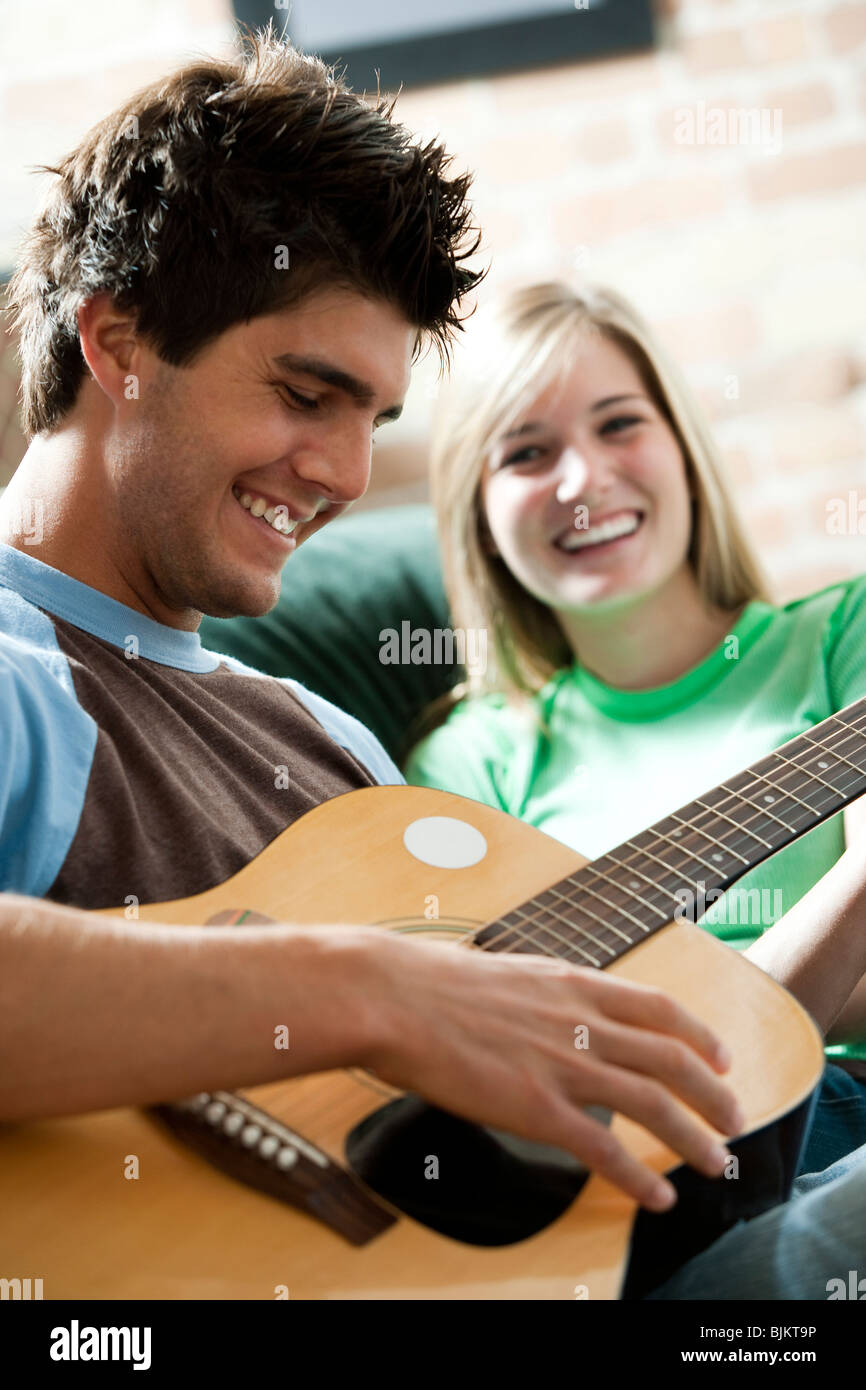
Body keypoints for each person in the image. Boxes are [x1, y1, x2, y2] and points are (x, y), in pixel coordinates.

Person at [0, 27, 744, 1228]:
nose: (345, 473)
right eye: (304, 395)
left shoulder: (335, 742)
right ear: (117, 345)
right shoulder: (19, 677)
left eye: (376, 415)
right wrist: (367, 987)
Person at [404, 279, 866, 1183]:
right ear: (481, 517)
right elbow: (519, 1070)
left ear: (683, 447)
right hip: (626, 1176)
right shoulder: (468, 765)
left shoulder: (844, 636)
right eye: (528, 452)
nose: (584, 480)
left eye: (619, 424)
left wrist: (661, 1024)